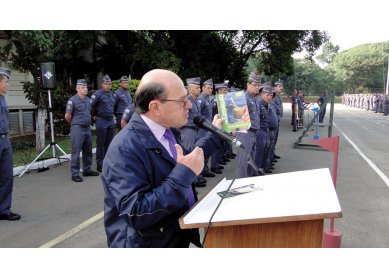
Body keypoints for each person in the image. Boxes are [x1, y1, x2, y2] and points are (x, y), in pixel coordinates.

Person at [101, 69, 223, 247]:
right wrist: (183, 175)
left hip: (172, 237)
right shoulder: (124, 148)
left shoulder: (167, 130)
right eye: (182, 101)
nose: (189, 105)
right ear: (155, 107)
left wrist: (216, 134)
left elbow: (188, 159)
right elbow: (136, 212)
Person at [65, 79, 99, 182]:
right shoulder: (72, 100)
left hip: (87, 128)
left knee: (88, 150)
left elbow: (90, 112)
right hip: (77, 128)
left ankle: (87, 170)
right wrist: (74, 123)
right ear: (78, 88)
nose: (86, 89)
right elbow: (67, 116)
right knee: (76, 151)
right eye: (83, 87)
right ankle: (75, 173)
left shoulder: (88, 100)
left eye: (86, 87)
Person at [0, 67, 21, 221]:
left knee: (7, 177)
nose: (8, 84)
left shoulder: (2, 98)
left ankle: (4, 210)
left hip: (4, 140)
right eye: (6, 82)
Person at [90, 75, 115, 172]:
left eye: (109, 84)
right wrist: (94, 116)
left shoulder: (112, 94)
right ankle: (100, 163)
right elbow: (90, 106)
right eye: (106, 84)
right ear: (102, 84)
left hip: (110, 121)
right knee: (101, 143)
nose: (108, 86)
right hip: (101, 120)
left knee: (109, 143)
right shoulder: (97, 94)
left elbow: (114, 106)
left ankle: (107, 162)